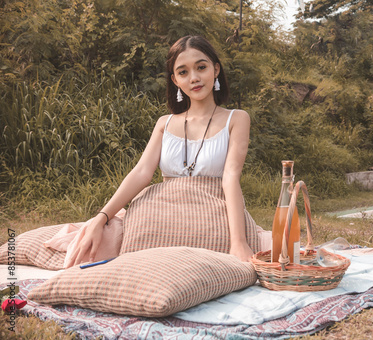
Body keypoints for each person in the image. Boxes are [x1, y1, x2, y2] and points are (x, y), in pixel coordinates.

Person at [67, 35, 255, 266]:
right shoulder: (164, 123)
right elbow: (141, 173)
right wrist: (102, 217)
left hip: (211, 213)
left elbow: (230, 178)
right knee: (86, 244)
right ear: (175, 80)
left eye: (201, 67)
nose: (194, 78)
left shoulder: (236, 119)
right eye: (183, 72)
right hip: (160, 213)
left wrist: (238, 241)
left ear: (216, 70)